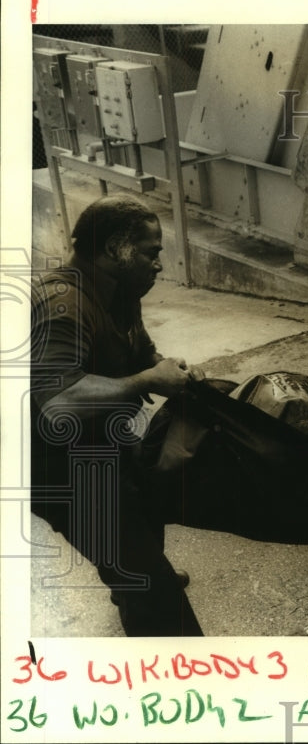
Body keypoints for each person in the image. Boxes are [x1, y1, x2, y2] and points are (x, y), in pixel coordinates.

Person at [30, 192, 206, 635]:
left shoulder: (121, 289)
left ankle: (134, 574)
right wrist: (145, 383)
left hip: (101, 439)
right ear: (114, 249)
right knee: (153, 590)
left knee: (146, 507)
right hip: (57, 469)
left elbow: (141, 356)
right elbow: (58, 402)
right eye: (152, 252)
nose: (158, 264)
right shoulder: (62, 304)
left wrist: (168, 370)